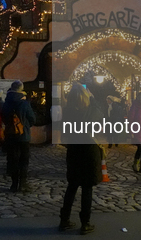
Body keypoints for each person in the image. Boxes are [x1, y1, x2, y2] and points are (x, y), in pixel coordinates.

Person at [59, 83, 102, 235]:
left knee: (72, 186)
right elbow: (98, 116)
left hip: (74, 151)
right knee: (87, 188)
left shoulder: (68, 111)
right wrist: (93, 98)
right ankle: (85, 223)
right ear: (86, 97)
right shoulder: (90, 110)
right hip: (89, 151)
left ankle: (64, 220)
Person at [1, 80, 35, 192]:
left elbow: (4, 118)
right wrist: (24, 126)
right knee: (24, 160)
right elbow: (32, 119)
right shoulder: (24, 103)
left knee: (12, 159)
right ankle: (23, 184)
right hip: (23, 136)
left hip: (10, 135)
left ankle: (14, 184)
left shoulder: (6, 103)